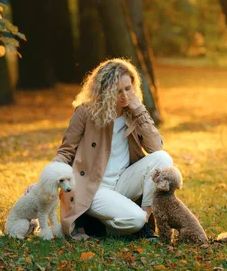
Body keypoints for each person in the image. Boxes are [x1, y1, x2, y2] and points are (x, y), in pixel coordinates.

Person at [35, 58, 174, 240]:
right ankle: (110, 223)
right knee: (135, 219)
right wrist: (45, 180)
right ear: (105, 92)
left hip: (123, 182)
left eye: (128, 88)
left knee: (163, 159)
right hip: (93, 189)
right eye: (118, 91)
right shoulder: (85, 112)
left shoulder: (133, 113)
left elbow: (155, 147)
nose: (125, 96)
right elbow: (66, 151)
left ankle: (142, 223)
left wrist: (140, 110)